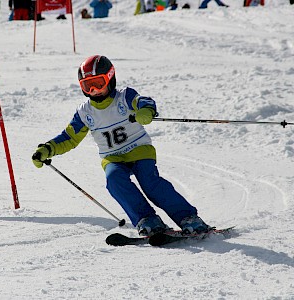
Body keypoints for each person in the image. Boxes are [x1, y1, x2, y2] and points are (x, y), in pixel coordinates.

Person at [32, 55, 212, 237]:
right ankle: (147, 219)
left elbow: (145, 101)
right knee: (114, 181)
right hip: (112, 157)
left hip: (139, 149)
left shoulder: (125, 96)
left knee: (150, 183)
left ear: (110, 78)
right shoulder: (85, 112)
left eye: (98, 83)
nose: (94, 90)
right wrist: (47, 149)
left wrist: (145, 111)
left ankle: (188, 218)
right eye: (88, 86)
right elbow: (69, 137)